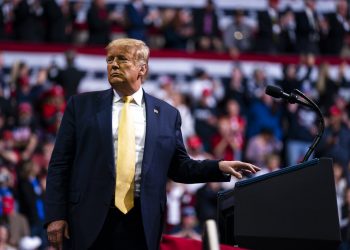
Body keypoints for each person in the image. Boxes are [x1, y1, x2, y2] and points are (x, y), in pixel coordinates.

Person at [44, 38, 259, 250]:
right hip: (88, 219)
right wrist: (55, 215)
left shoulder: (167, 115)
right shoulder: (80, 106)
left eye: (122, 59)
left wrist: (217, 167)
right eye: (110, 60)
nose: (114, 65)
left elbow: (179, 167)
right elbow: (60, 164)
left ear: (142, 69)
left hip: (142, 223)